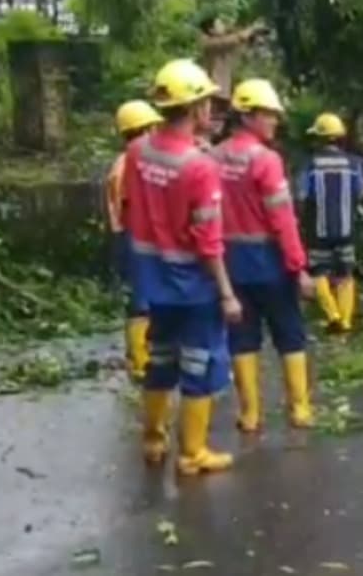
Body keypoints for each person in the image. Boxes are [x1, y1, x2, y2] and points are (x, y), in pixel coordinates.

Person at [124, 58, 243, 476]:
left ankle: (154, 441)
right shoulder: (200, 168)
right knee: (199, 363)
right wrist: (227, 293)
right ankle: (192, 454)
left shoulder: (138, 151)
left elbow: (131, 207)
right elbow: (208, 241)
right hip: (192, 285)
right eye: (207, 102)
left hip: (152, 281)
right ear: (196, 109)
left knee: (159, 360)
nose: (211, 110)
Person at [213, 79, 315, 432]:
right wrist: (298, 267)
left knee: (242, 338)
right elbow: (283, 219)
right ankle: (299, 409)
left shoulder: (213, 157)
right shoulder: (266, 160)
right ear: (248, 116)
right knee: (290, 334)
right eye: (269, 115)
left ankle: (250, 414)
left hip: (229, 262)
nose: (274, 121)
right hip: (269, 260)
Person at [106, 100, 164, 381]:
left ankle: (142, 355)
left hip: (127, 235)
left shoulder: (123, 161)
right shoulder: (134, 161)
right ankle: (141, 361)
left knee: (140, 296)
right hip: (136, 235)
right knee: (141, 300)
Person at [298, 112, 363, 333]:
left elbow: (301, 195)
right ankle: (345, 321)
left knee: (319, 272)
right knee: (345, 273)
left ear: (319, 138)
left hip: (318, 230)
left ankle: (332, 315)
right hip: (346, 229)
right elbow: (360, 192)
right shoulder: (353, 163)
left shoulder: (311, 164)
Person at [198, 14, 268, 102]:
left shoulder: (224, 43)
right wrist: (252, 29)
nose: (223, 26)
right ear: (211, 30)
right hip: (214, 90)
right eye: (219, 24)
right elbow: (235, 39)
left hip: (225, 91)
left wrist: (253, 37)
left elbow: (240, 44)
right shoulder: (209, 43)